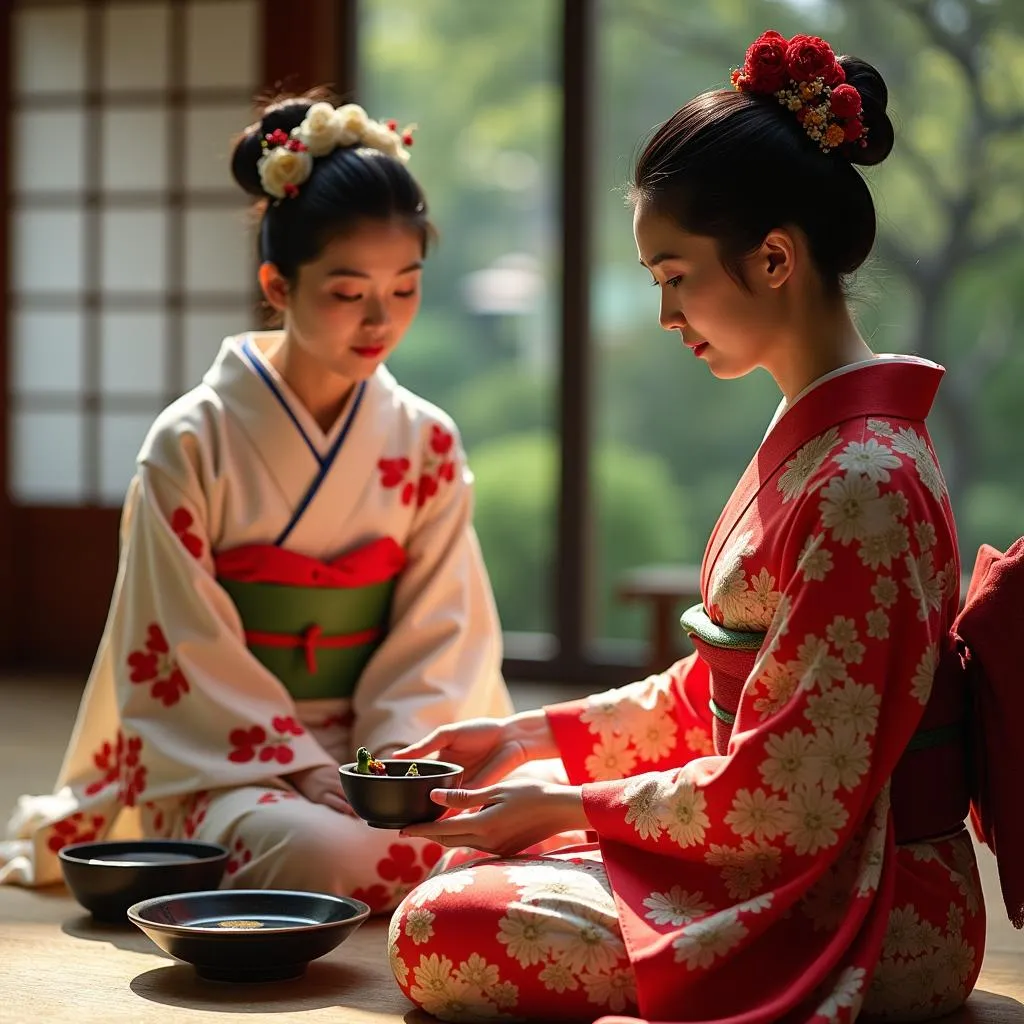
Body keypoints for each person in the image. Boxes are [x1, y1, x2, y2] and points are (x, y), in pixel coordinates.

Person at [384, 32, 1022, 1024]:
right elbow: (716, 693)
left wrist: (563, 801)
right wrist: (521, 742)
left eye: (675, 276)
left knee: (442, 925)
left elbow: (792, 795)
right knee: (482, 856)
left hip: (870, 896)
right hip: (799, 855)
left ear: (773, 256)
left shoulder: (863, 478)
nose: (666, 314)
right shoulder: (824, 439)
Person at [0, 93, 565, 910]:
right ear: (277, 282)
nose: (381, 319)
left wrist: (387, 774)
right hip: (233, 759)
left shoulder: (425, 441)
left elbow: (440, 630)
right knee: (320, 854)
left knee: (526, 809)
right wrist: (301, 764)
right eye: (348, 293)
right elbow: (180, 642)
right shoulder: (193, 441)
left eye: (404, 289)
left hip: (375, 754)